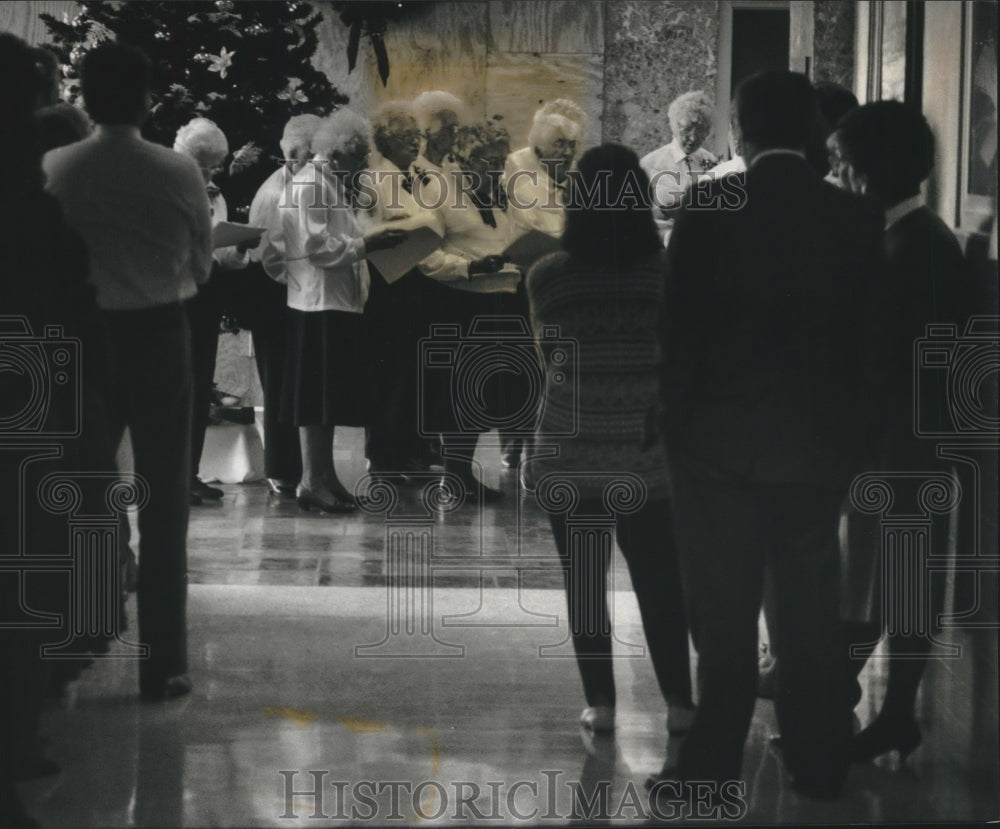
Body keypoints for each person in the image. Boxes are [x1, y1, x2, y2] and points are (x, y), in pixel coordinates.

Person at [655, 70, 884, 800]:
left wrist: (676, 428)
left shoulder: (708, 206)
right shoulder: (851, 216)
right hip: (815, 444)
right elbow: (864, 346)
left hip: (717, 443)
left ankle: (710, 770)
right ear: (814, 132)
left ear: (740, 131)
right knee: (808, 610)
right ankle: (819, 761)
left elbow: (678, 332)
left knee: (722, 612)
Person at [43, 41, 214, 702]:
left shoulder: (57, 166)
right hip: (159, 333)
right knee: (166, 499)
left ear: (82, 96)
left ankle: (81, 647)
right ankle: (165, 663)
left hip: (84, 338)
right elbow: (200, 266)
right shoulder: (176, 171)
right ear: (147, 99)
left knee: (86, 489)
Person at [527, 143, 694, 736]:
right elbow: (682, 360)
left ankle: (600, 702)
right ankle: (679, 701)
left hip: (567, 452)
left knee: (584, 581)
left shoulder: (548, 277)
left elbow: (548, 357)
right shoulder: (668, 275)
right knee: (659, 580)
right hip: (645, 457)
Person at [835, 100, 978, 764]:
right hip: (910, 443)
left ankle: (867, 707)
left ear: (868, 168)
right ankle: (879, 710)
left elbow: (894, 358)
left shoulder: (910, 245)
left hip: (900, 445)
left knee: (891, 580)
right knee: (897, 580)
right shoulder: (922, 237)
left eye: (845, 164)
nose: (842, 176)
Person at [263, 108, 406, 513]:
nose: (362, 167)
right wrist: (368, 246)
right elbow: (317, 249)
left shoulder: (331, 183)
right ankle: (311, 480)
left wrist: (368, 240)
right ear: (339, 153)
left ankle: (325, 477)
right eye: (359, 158)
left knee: (327, 398)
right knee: (314, 398)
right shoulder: (311, 185)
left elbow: (338, 237)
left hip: (336, 302)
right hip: (316, 303)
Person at [416, 120, 524, 503]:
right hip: (462, 304)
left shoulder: (500, 197)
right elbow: (425, 255)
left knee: (488, 395)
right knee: (460, 396)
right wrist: (471, 267)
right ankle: (455, 476)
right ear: (464, 159)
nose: (496, 169)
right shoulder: (440, 193)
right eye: (488, 162)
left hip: (503, 303)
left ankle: (462, 475)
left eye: (500, 161)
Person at [174, 117, 252, 505]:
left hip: (207, 292)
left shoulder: (214, 192)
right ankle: (172, 477)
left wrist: (237, 248)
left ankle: (190, 472)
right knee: (178, 387)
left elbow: (220, 252)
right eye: (203, 160)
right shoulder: (168, 183)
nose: (210, 169)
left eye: (214, 162)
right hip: (176, 296)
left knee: (200, 385)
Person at [362, 100, 440, 481]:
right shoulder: (377, 178)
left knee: (412, 373)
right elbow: (377, 228)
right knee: (390, 372)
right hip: (390, 282)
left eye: (418, 136)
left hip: (417, 278)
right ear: (386, 142)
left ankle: (410, 451)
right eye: (406, 138)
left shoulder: (418, 174)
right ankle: (385, 456)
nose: (416, 143)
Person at [244, 114, 320, 497]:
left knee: (290, 382)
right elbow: (275, 260)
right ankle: (282, 469)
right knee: (278, 383)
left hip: (291, 292)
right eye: (300, 155)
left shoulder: (301, 184)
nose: (304, 162)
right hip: (278, 296)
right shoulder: (279, 191)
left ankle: (293, 468)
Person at [640, 91, 717, 242]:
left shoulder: (712, 162)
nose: (693, 138)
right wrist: (664, 211)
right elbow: (634, 214)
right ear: (674, 127)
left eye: (700, 130)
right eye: (687, 129)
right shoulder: (651, 163)